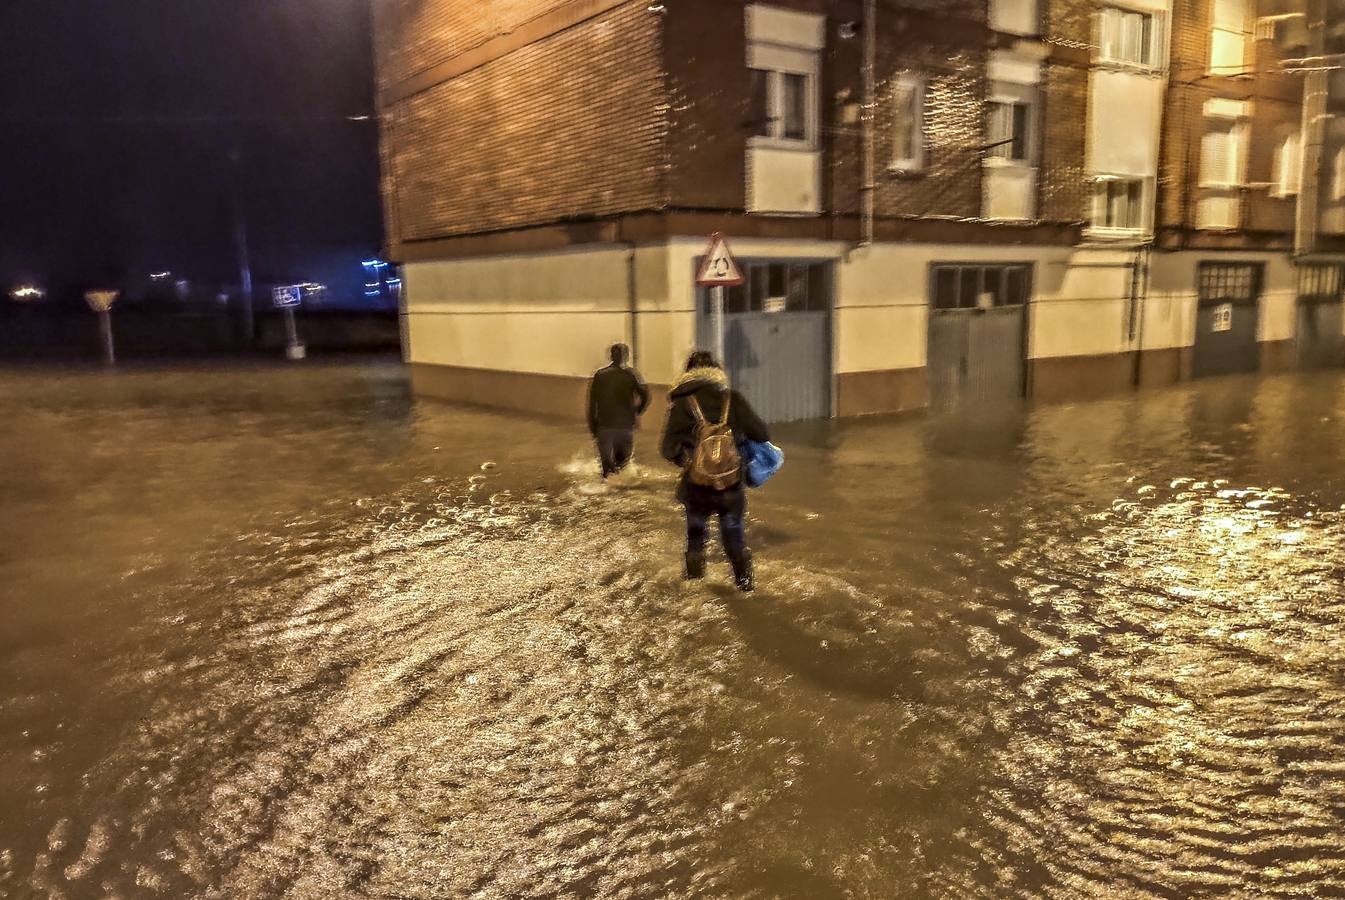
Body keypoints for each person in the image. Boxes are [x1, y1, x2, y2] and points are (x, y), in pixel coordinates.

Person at [660, 351, 770, 592]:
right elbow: (762, 434)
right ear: (717, 373)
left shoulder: (683, 404)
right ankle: (746, 590)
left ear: (688, 374)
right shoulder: (732, 400)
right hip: (731, 489)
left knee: (696, 541)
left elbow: (667, 449)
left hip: (696, 490)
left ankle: (694, 593)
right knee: (735, 543)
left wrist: (690, 463)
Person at [587, 343, 650, 479]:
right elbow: (646, 395)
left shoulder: (600, 375)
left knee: (607, 470)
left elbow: (592, 404)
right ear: (626, 357)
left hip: (605, 426)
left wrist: (593, 427)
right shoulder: (632, 375)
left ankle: (606, 492)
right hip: (625, 427)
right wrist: (636, 411)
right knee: (622, 467)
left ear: (611, 356)